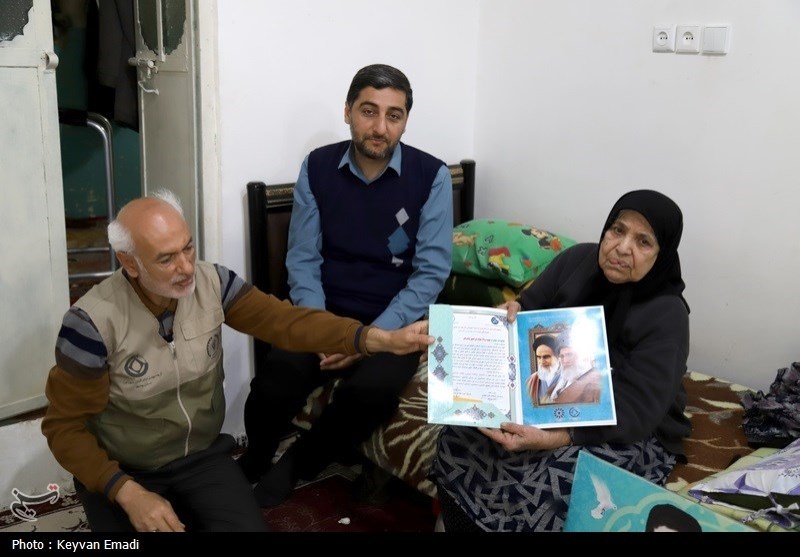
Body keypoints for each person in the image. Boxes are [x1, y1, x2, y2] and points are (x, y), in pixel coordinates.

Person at [40, 190, 433, 533]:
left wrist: (377, 339)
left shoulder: (214, 283)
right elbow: (64, 428)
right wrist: (125, 491)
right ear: (129, 263)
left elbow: (287, 322)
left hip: (199, 458)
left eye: (188, 248)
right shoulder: (91, 324)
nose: (186, 268)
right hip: (125, 467)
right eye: (166, 259)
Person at [241, 63, 453, 507]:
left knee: (371, 392)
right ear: (348, 112)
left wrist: (370, 338)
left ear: (405, 121)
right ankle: (255, 457)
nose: (380, 127)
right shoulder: (317, 167)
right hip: (324, 310)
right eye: (368, 111)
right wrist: (324, 329)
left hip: (395, 320)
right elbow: (303, 258)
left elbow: (430, 273)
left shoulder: (431, 176)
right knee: (275, 378)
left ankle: (300, 462)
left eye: (394, 115)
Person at [431, 189, 691, 532]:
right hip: (548, 393)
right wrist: (513, 313)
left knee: (554, 480)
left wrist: (560, 436)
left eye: (643, 242)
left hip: (624, 423)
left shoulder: (668, 314)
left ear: (662, 254)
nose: (622, 247)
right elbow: (529, 309)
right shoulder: (577, 261)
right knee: (463, 434)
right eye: (617, 230)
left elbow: (638, 410)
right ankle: (458, 523)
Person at [546, 331, 601, 405]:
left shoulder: (593, 385)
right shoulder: (561, 380)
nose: (565, 360)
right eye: (562, 356)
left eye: (569, 354)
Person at [525, 335, 561, 405]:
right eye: (539, 357)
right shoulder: (531, 381)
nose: (542, 362)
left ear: (558, 356)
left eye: (546, 357)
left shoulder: (568, 378)